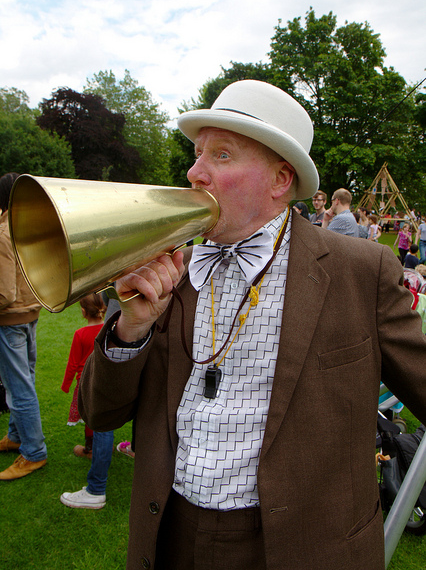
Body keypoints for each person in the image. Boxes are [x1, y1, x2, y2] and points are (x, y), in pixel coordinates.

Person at [78, 80, 426, 570]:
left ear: (280, 179)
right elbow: (99, 414)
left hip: (308, 546)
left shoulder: (361, 271)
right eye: (197, 154)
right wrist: (131, 329)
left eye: (220, 155)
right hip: (172, 534)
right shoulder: (166, 269)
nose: (194, 172)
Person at [0, 173, 47, 480]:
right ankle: (16, 435)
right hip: (29, 315)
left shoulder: (3, 233)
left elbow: (4, 294)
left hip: (12, 320)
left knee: (19, 388)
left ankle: (33, 452)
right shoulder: (27, 227)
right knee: (23, 382)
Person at [61, 293, 106, 458]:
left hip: (85, 381)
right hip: (105, 378)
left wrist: (66, 385)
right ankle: (103, 444)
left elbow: (73, 363)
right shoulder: (109, 328)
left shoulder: (80, 334)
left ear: (83, 311)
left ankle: (91, 448)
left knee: (88, 413)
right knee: (102, 411)